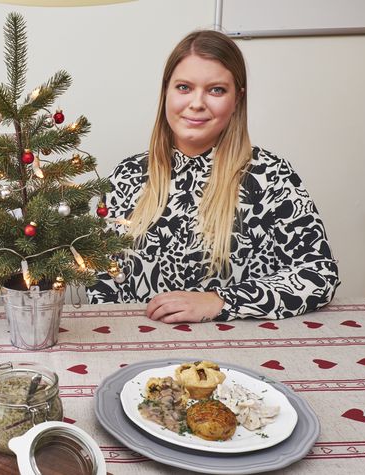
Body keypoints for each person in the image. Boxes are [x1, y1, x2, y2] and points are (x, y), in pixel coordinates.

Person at [87, 30, 339, 323]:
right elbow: (99, 278)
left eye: (216, 90)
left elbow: (319, 274)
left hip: (239, 353)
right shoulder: (127, 175)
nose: (197, 103)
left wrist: (220, 301)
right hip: (141, 350)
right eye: (184, 87)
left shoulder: (271, 177)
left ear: (237, 99)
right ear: (165, 91)